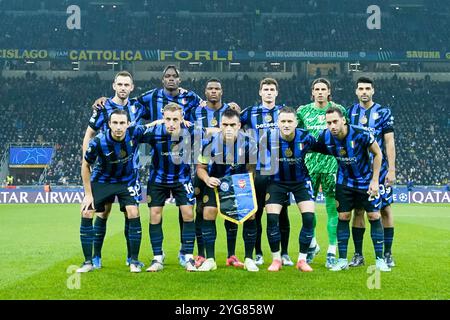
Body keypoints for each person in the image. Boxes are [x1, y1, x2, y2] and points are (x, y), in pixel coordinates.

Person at [312, 107, 391, 272]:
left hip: (365, 182)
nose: (332, 126)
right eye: (329, 123)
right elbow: (309, 145)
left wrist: (375, 180)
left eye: (335, 121)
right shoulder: (325, 136)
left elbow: (378, 154)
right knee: (344, 216)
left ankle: (380, 260)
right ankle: (341, 260)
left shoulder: (361, 134)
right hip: (344, 182)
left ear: (343, 120)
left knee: (374, 215)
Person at [83, 71, 147, 269]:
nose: (123, 88)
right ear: (113, 86)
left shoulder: (137, 106)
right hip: (105, 169)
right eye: (119, 84)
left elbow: (162, 109)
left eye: (126, 85)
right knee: (102, 213)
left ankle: (132, 258)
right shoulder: (103, 107)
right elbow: (89, 134)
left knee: (131, 213)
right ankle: (95, 258)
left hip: (129, 170)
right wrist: (88, 157)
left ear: (132, 87)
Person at [188, 78, 244, 268]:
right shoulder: (196, 109)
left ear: (222, 91)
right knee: (201, 210)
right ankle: (202, 254)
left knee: (231, 210)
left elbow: (239, 130)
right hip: (202, 163)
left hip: (228, 167)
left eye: (217, 88)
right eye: (210, 88)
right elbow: (182, 122)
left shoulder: (231, 110)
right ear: (205, 91)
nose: (213, 91)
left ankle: (231, 255)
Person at [196, 108, 259, 272]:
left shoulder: (249, 143)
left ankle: (249, 259)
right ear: (220, 125)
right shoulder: (208, 143)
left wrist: (245, 183)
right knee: (208, 212)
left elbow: (251, 169)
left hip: (239, 184)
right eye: (225, 124)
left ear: (239, 125)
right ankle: (210, 259)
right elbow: (201, 168)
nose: (229, 128)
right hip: (216, 183)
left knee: (250, 215)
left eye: (232, 124)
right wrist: (207, 179)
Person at [240, 78, 293, 267]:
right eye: (266, 89)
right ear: (260, 92)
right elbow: (231, 122)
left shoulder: (284, 112)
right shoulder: (250, 113)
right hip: (259, 171)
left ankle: (284, 253)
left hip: (280, 172)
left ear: (276, 93)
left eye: (272, 89)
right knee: (257, 212)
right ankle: (259, 253)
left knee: (282, 214)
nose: (269, 92)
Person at [296, 78, 347, 268]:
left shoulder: (339, 109)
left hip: (332, 165)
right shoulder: (303, 111)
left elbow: (345, 133)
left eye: (323, 89)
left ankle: (332, 250)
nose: (319, 92)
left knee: (332, 208)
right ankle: (313, 244)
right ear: (312, 92)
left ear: (328, 91)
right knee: (308, 208)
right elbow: (295, 130)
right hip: (308, 166)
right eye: (316, 89)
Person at [347, 77, 396, 268]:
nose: (364, 91)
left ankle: (387, 253)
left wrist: (391, 169)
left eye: (367, 88)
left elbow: (389, 141)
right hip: (357, 171)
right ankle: (358, 255)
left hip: (380, 171)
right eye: (361, 88)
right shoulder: (350, 112)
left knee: (384, 209)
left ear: (373, 91)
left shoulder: (383, 112)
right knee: (358, 211)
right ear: (356, 91)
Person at [144, 103, 199, 272]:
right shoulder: (154, 131)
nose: (171, 123)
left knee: (188, 213)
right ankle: (157, 257)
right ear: (163, 117)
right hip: (158, 179)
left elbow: (210, 132)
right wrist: (152, 123)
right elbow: (132, 131)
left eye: (175, 119)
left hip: (182, 178)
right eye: (167, 119)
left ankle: (188, 256)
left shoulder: (191, 131)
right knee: (154, 215)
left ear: (182, 118)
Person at [261, 107, 317, 272]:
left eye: (289, 121)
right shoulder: (268, 138)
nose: (286, 124)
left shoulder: (306, 137)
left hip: (301, 181)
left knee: (308, 218)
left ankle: (302, 259)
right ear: (278, 122)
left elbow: (324, 147)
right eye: (283, 121)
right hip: (276, 182)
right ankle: (276, 259)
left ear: (296, 122)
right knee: (272, 219)